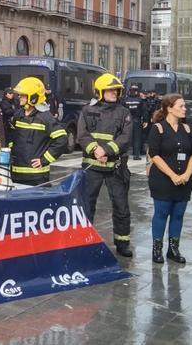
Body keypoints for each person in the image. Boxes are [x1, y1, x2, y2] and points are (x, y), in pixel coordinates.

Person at [77, 73, 133, 257]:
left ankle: (122, 242)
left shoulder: (124, 112)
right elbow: (82, 134)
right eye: (110, 90)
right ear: (100, 92)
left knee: (121, 206)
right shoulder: (87, 110)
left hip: (115, 168)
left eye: (116, 90)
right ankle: (84, 240)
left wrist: (106, 151)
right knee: (86, 205)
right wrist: (95, 150)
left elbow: (125, 138)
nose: (114, 93)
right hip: (92, 167)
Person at [147, 94, 192, 264]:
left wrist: (186, 174)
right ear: (169, 108)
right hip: (162, 180)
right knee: (161, 213)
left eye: (184, 106)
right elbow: (154, 155)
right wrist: (172, 175)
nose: (185, 109)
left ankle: (173, 249)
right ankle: (157, 250)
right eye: (181, 106)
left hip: (184, 181)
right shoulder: (158, 128)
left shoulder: (187, 129)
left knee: (178, 215)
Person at [8, 77, 68, 185]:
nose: (19, 97)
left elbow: (62, 139)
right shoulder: (18, 115)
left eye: (23, 95)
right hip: (16, 173)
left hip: (36, 176)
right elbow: (12, 136)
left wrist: (44, 160)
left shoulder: (45, 118)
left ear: (33, 97)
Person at [123, 85, 147, 160]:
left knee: (126, 138)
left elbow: (122, 111)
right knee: (137, 138)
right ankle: (136, 155)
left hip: (127, 121)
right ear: (137, 92)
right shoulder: (140, 100)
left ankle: (124, 154)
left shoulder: (125, 100)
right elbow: (144, 111)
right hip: (137, 121)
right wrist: (145, 121)